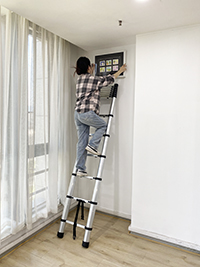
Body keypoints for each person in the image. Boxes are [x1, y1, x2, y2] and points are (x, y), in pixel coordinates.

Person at [74, 56, 127, 176]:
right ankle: (93, 145)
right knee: (103, 125)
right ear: (88, 67)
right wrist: (120, 70)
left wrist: (91, 71)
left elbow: (91, 81)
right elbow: (108, 79)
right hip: (87, 113)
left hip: (77, 114)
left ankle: (80, 169)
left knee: (82, 141)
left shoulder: (79, 80)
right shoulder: (93, 79)